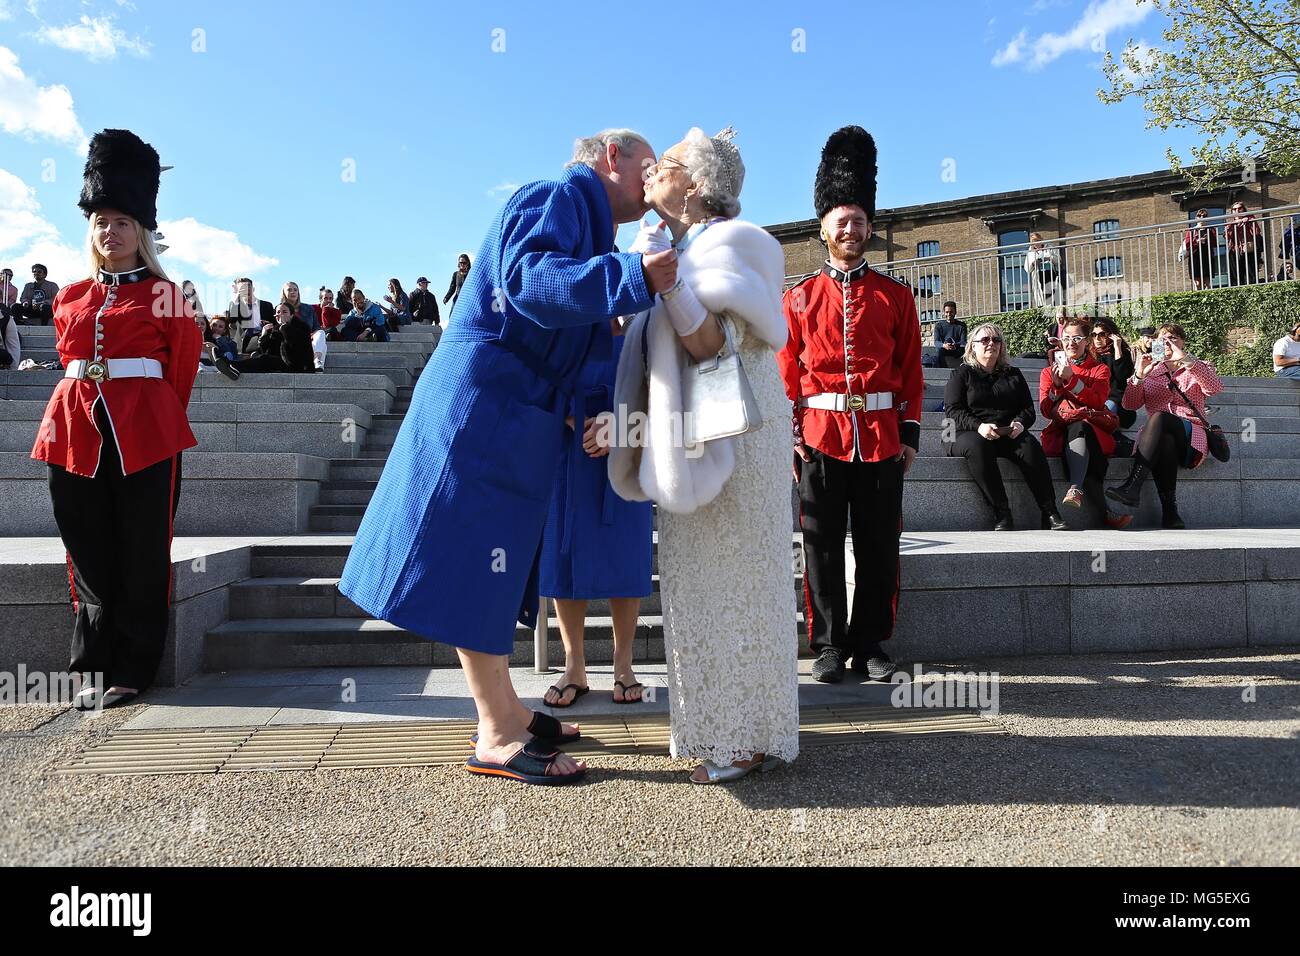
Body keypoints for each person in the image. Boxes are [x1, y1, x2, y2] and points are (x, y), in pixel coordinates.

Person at [338, 128, 665, 786]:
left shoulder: (586, 221)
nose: (654, 181)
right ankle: (495, 730)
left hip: (512, 405)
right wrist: (636, 275)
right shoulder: (558, 194)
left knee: (491, 565)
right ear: (611, 159)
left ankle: (508, 709)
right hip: (485, 401)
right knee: (474, 561)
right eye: (647, 165)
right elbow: (530, 283)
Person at [607, 127, 797, 784]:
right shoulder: (690, 246)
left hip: (737, 440)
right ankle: (730, 729)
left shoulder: (735, 244)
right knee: (706, 587)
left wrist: (664, 278)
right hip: (707, 434)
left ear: (696, 183)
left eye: (671, 164)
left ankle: (740, 739)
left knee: (735, 584)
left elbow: (708, 341)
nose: (655, 170)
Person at [33, 129, 202, 710]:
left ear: (142, 232)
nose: (111, 231)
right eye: (102, 222)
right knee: (87, 548)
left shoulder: (167, 295)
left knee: (142, 547)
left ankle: (133, 666)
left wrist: (150, 418)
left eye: (123, 222)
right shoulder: (69, 295)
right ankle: (92, 666)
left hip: (146, 432)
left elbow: (179, 373)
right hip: (74, 428)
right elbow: (67, 357)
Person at [777, 125, 923, 686]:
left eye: (860, 220)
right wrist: (793, 432)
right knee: (820, 546)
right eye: (842, 220)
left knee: (880, 546)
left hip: (882, 436)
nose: (852, 228)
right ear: (823, 228)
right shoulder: (799, 297)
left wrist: (909, 434)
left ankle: (872, 643)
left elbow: (910, 369)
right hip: (819, 434)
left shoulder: (896, 296)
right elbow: (786, 370)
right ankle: (831, 644)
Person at [539, 313, 653, 708]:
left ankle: (624, 666)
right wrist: (572, 415)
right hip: (570, 452)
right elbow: (538, 383)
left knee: (625, 555)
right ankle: (574, 666)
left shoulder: (644, 332)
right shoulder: (557, 333)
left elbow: (667, 398)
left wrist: (621, 427)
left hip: (628, 459)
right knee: (566, 557)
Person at [943, 322, 1067, 532]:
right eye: (984, 340)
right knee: (979, 446)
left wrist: (1019, 423)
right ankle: (1001, 512)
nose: (991, 343)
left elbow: (1028, 409)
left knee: (1030, 446)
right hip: (964, 432)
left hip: (1006, 432)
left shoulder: (1013, 374)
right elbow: (953, 411)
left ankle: (1050, 512)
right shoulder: (962, 373)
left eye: (996, 340)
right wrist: (979, 426)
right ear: (973, 346)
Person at [1107, 323, 1224, 528]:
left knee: (1161, 418)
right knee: (1165, 442)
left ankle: (1133, 485)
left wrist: (1186, 359)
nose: (1168, 342)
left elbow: (1214, 389)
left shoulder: (1198, 366)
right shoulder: (1151, 371)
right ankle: (1170, 512)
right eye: (1163, 339)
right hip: (1157, 440)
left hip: (1191, 436)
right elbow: (1129, 405)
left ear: (1183, 342)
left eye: (1174, 338)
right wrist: (1139, 376)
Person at [1038, 316, 1128, 528]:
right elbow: (1045, 411)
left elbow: (1098, 402)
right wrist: (1057, 387)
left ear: (1087, 341)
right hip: (1062, 431)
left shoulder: (1100, 370)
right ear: (1060, 340)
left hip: (1093, 430)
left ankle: (1076, 486)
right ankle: (1102, 510)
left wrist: (1073, 381)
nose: (1071, 343)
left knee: (1082, 428)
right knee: (1079, 431)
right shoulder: (1048, 372)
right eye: (1067, 338)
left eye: (1077, 338)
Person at [1091, 317, 1137, 456]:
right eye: (1094, 335)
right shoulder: (1091, 355)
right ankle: (1113, 439)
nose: (1097, 338)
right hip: (1095, 398)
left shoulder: (1123, 353)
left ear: (1111, 335)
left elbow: (1122, 378)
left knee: (1105, 410)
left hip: (1117, 401)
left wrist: (1117, 348)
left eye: (1102, 334)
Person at [282, 280, 327, 370]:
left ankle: (317, 361)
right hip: (291, 342)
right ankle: (317, 363)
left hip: (308, 340)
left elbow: (316, 327)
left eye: (295, 290)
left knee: (321, 333)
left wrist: (311, 334)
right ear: (284, 293)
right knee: (323, 347)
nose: (293, 292)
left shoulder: (308, 308)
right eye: (289, 290)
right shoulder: (280, 309)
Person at [226, 277, 274, 352]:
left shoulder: (267, 305)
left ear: (253, 289)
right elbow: (231, 322)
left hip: (265, 341)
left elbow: (274, 323)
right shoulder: (236, 306)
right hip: (246, 343)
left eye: (248, 286)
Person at [1224, 201, 1263, 286]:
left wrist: (1247, 220)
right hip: (1235, 250)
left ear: (1244, 210)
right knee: (1236, 275)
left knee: (1250, 274)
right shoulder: (1230, 223)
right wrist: (1233, 225)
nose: (1237, 211)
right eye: (1234, 209)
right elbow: (1227, 237)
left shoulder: (1250, 218)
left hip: (1249, 250)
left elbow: (1256, 232)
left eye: (1239, 208)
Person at [1179, 208, 1218, 290]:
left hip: (1207, 257)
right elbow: (1188, 244)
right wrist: (1197, 241)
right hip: (1195, 257)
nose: (1202, 217)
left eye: (1204, 216)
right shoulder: (1192, 231)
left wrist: (1206, 240)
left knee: (1207, 282)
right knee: (1197, 283)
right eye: (1199, 215)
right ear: (1196, 218)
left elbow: (1214, 243)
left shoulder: (1211, 229)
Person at [1024, 232, 1063, 307]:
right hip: (1038, 275)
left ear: (1041, 240)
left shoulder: (1049, 247)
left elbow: (1059, 260)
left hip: (1050, 273)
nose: (1036, 243)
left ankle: (1054, 306)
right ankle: (1044, 309)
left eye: (1038, 241)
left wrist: (1049, 258)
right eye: (1034, 242)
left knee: (1053, 293)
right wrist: (1033, 263)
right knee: (1041, 295)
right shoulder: (1030, 252)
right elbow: (1027, 269)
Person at [201, 315, 241, 381]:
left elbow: (231, 357)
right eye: (214, 325)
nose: (216, 328)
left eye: (220, 327)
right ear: (209, 325)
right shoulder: (203, 338)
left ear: (224, 330)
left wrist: (219, 339)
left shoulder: (231, 344)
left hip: (224, 366)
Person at [931, 300, 967, 369]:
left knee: (964, 350)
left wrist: (955, 345)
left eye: (951, 312)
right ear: (944, 313)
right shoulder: (939, 326)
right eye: (947, 312)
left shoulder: (961, 325)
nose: (949, 314)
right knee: (939, 350)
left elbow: (964, 341)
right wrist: (944, 345)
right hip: (943, 351)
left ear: (955, 312)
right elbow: (936, 342)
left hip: (957, 350)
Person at [315, 287, 341, 369]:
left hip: (328, 330)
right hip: (316, 333)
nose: (328, 301)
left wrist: (328, 310)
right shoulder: (313, 308)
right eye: (326, 298)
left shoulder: (334, 310)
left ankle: (327, 336)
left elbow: (329, 324)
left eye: (330, 298)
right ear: (320, 299)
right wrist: (325, 309)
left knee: (333, 330)